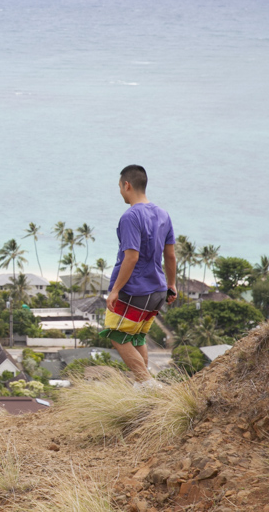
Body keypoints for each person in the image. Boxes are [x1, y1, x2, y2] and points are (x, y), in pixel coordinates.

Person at [100, 164, 178, 384]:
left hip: (134, 289)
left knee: (116, 334)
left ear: (127, 185)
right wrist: (171, 285)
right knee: (136, 337)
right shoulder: (163, 214)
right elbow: (170, 256)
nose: (120, 192)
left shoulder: (130, 217)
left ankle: (147, 384)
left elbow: (131, 257)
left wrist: (115, 290)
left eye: (120, 187)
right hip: (157, 289)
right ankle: (142, 389)